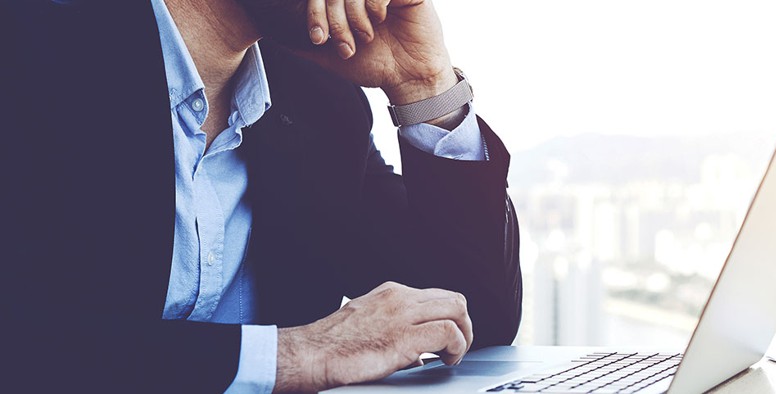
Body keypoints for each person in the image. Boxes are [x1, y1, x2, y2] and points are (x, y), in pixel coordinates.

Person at [1, 0, 521, 392]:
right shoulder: (24, 49)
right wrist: (299, 355)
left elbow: (466, 319)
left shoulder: (317, 97)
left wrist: (423, 84)